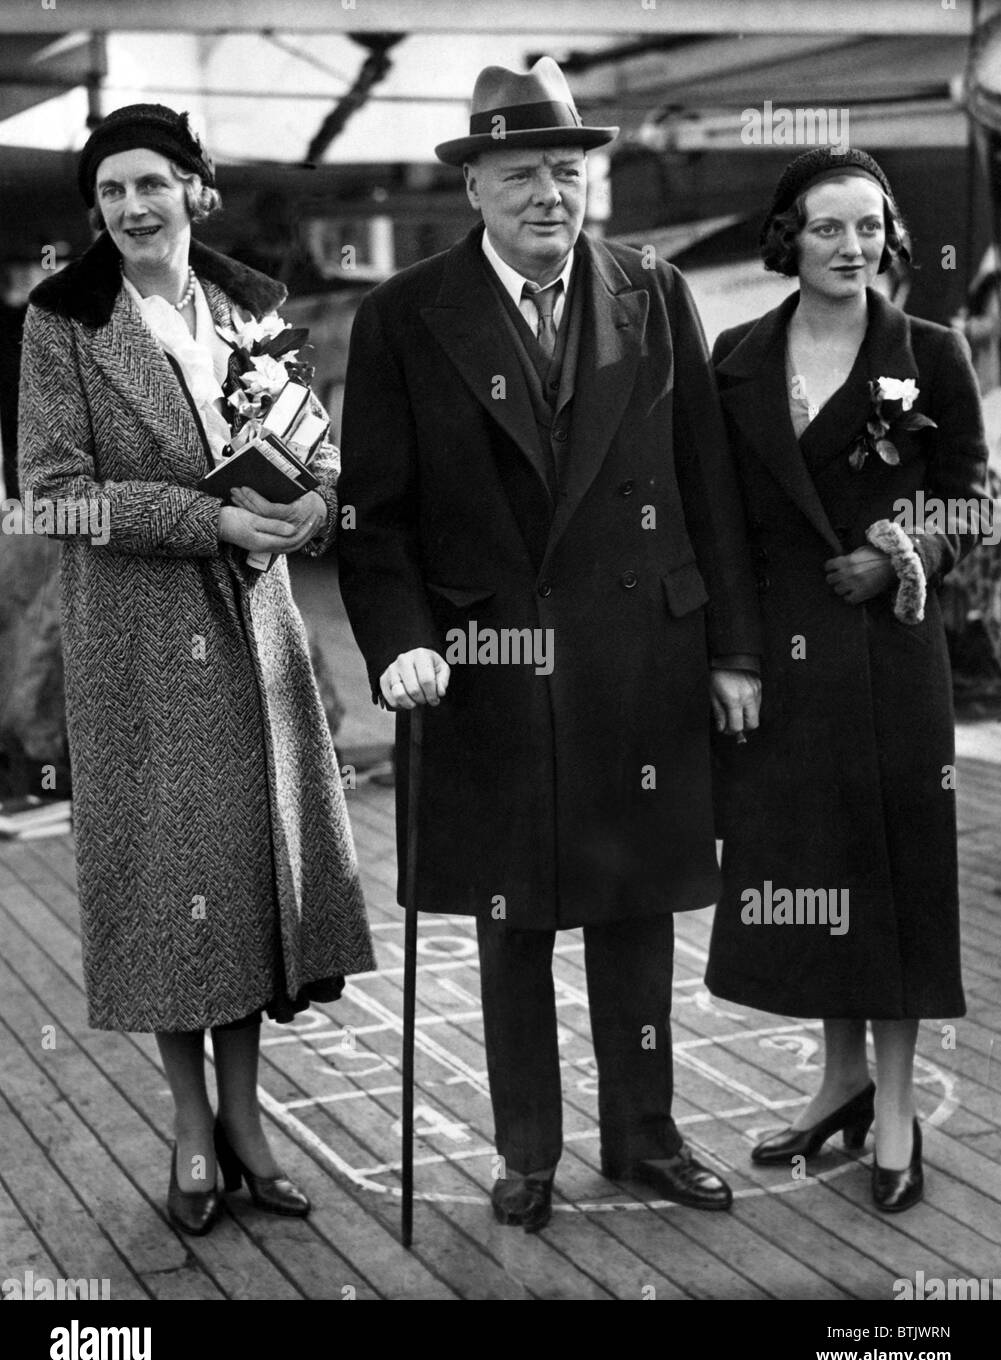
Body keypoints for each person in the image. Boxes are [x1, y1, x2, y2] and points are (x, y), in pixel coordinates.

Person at [337, 57, 761, 1234]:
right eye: (518, 172)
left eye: (565, 171)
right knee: (512, 914)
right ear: (471, 185)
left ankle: (645, 1138)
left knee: (635, 908)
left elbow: (707, 482)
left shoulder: (651, 289)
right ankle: (526, 1149)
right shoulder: (402, 316)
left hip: (639, 656)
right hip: (489, 662)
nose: (547, 195)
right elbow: (375, 516)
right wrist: (399, 646)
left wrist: (733, 650)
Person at [18, 104, 375, 1236]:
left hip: (252, 633)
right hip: (138, 639)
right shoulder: (62, 319)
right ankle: (189, 1123)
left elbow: (310, 439)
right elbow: (55, 491)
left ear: (194, 191)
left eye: (151, 184)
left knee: (251, 876)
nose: (131, 207)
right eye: (111, 190)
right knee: (177, 889)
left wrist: (314, 497)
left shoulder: (249, 303)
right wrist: (208, 520)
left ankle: (246, 1116)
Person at [706, 147, 989, 1213]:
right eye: (826, 227)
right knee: (812, 870)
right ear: (787, 238)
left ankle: (897, 1103)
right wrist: (730, 655)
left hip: (885, 658)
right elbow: (720, 522)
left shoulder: (930, 352)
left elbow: (969, 499)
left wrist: (897, 553)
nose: (849, 246)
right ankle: (838, 1080)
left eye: (867, 227)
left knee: (894, 873)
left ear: (889, 238)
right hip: (781, 667)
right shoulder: (734, 358)